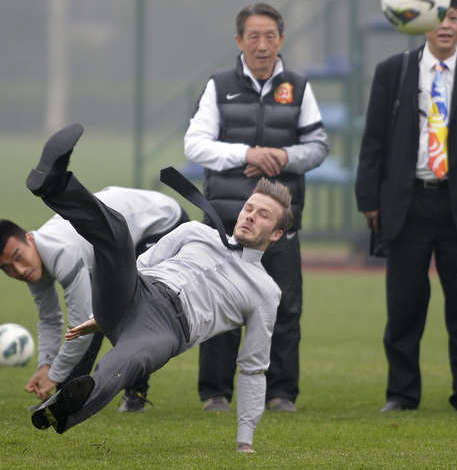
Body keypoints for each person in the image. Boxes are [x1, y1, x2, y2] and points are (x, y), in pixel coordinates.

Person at [28, 124, 293, 453]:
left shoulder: (265, 292)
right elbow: (142, 264)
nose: (250, 216)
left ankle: (63, 408)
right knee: (118, 235)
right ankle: (54, 184)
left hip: (168, 327)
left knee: (127, 362)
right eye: (249, 208)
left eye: (263, 215)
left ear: (277, 234)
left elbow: (253, 368)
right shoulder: (195, 231)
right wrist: (103, 314)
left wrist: (245, 440)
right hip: (139, 290)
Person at [355, 0, 457, 413]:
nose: (445, 24)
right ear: (421, 22)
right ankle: (402, 393)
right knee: (404, 306)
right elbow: (374, 141)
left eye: (453, 16)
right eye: (437, 16)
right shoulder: (393, 71)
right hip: (407, 205)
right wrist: (370, 199)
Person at [184, 2, 328, 413]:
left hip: (279, 225)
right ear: (239, 41)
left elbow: (318, 147)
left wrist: (280, 158)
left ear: (281, 40)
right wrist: (246, 152)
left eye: (270, 36)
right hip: (226, 222)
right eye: (253, 36)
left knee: (284, 309)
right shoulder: (218, 84)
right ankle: (215, 394)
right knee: (218, 309)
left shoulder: (299, 87)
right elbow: (195, 145)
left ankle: (282, 394)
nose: (262, 45)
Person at [0, 187, 188, 411]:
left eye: (18, 257)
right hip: (120, 235)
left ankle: (134, 395)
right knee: (99, 315)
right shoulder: (33, 263)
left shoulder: (63, 253)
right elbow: (50, 319)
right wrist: (46, 366)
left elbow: (80, 325)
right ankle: (68, 398)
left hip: (161, 220)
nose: (19, 270)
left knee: (132, 311)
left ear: (29, 239)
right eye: (6, 268)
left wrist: (56, 375)